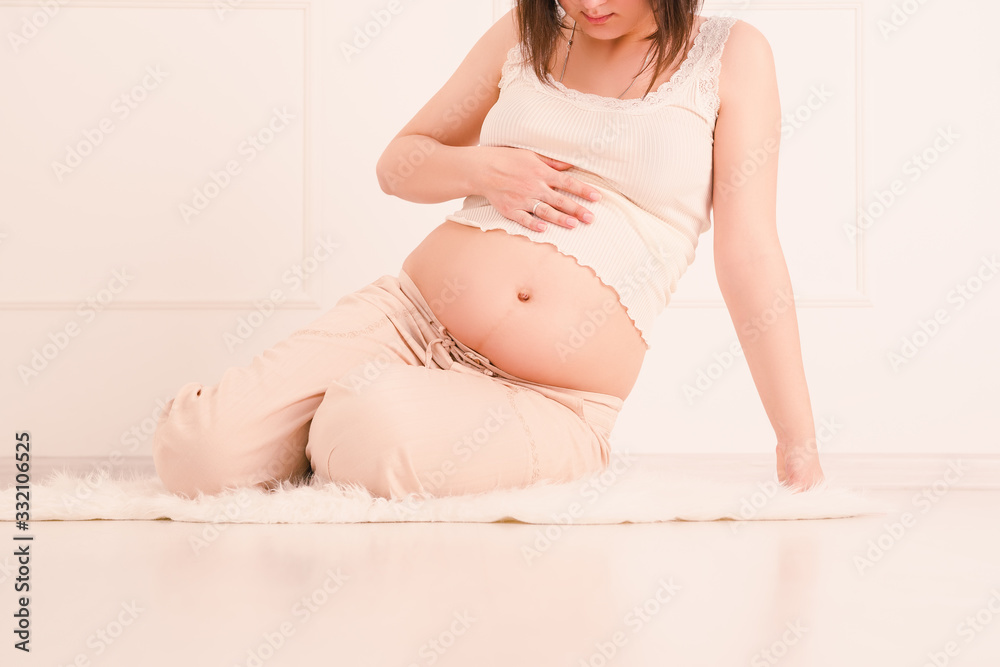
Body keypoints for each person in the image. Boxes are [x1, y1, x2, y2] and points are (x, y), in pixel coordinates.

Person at [152, 0, 825, 500]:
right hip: (407, 320)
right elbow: (398, 164)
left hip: (550, 394)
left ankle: (376, 437)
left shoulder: (730, 56)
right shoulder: (525, 34)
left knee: (370, 420)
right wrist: (483, 168)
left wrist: (798, 444)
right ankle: (335, 440)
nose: (589, 4)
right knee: (197, 452)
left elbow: (750, 255)